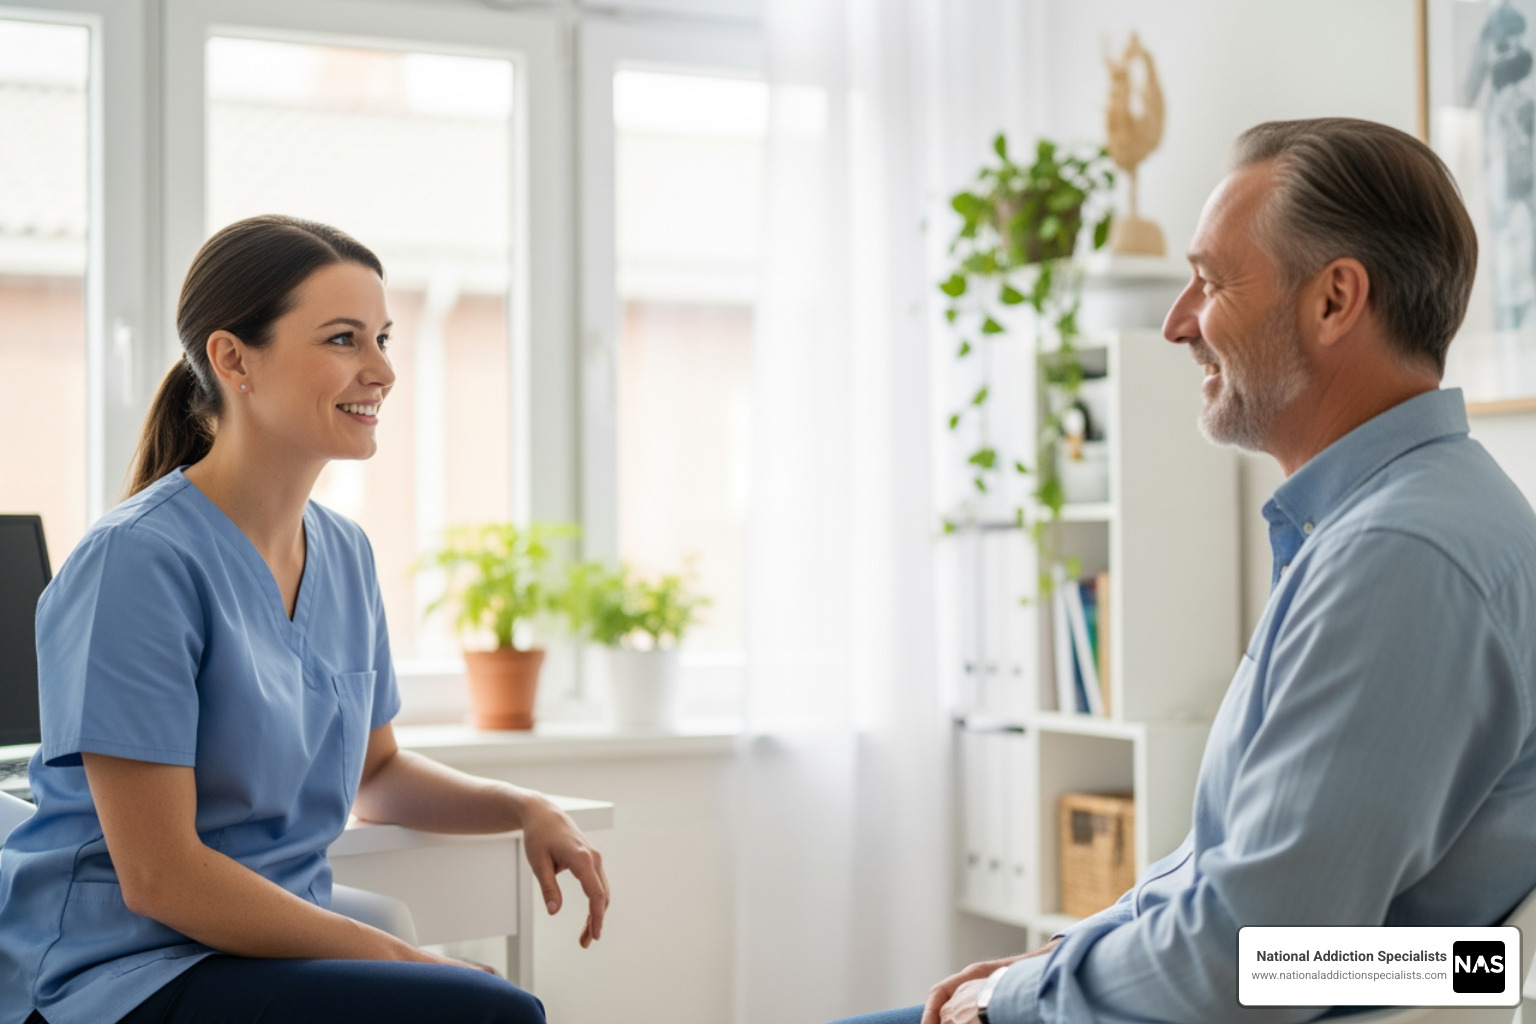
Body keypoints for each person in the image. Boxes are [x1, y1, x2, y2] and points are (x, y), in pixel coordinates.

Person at [841, 117, 1536, 1024]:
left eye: (1209, 282)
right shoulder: (1400, 521)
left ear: (1334, 301)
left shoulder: (1399, 558)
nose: (1176, 324)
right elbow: (1333, 930)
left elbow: (1261, 960)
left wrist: (1022, 999)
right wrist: (1066, 962)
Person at [0, 215, 610, 1024]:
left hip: (261, 949)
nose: (383, 370)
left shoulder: (345, 555)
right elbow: (161, 876)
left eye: (383, 337)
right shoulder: (136, 562)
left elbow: (377, 773)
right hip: (121, 972)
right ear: (232, 358)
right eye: (343, 339)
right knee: (488, 1012)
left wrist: (523, 807)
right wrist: (398, 958)